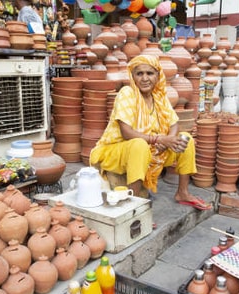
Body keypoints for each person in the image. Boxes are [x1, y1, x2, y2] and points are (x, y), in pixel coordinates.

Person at [89, 55, 211, 210]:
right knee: (139, 145)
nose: (145, 78)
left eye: (150, 73)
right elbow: (126, 132)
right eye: (139, 74)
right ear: (132, 77)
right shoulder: (127, 93)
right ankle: (133, 203)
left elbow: (174, 123)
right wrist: (159, 139)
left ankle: (183, 192)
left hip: (152, 149)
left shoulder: (159, 96)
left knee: (185, 138)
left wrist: (169, 140)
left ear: (158, 76)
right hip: (117, 151)